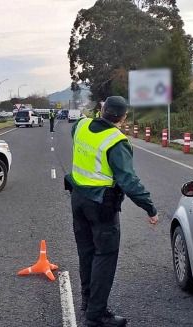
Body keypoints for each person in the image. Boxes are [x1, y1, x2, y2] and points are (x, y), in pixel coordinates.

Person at [65, 96, 158, 327]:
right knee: (104, 257)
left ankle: (88, 303)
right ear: (123, 118)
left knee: (86, 253)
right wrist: (150, 208)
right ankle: (96, 315)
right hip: (101, 206)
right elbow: (129, 180)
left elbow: (78, 136)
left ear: (102, 109)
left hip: (78, 199)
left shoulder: (81, 125)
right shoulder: (116, 141)